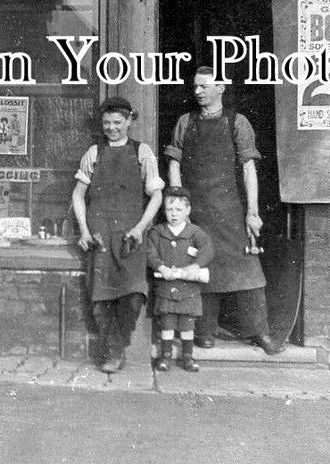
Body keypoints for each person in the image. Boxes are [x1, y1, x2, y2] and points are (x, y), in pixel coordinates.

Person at [164, 66, 284, 355]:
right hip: (198, 211)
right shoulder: (185, 121)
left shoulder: (237, 122)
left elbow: (248, 168)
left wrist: (252, 212)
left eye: (204, 86)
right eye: (195, 87)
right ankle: (205, 332)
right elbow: (174, 163)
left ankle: (261, 332)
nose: (197, 91)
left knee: (248, 270)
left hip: (231, 210)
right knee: (203, 268)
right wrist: (180, 207)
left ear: (221, 88)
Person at [71, 96, 164, 373]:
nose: (112, 128)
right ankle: (112, 354)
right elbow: (78, 195)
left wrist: (140, 227)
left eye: (117, 122)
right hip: (100, 237)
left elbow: (157, 195)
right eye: (107, 123)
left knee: (133, 296)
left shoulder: (141, 152)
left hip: (130, 238)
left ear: (130, 121)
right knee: (101, 300)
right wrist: (84, 230)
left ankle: (116, 347)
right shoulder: (94, 153)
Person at [146, 187, 215, 372]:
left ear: (187, 211)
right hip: (166, 287)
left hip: (188, 289)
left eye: (178, 210)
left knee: (187, 325)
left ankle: (188, 357)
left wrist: (196, 265)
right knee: (167, 324)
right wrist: (161, 267)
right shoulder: (157, 232)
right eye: (170, 210)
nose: (174, 214)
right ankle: (165, 357)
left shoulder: (195, 233)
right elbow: (150, 252)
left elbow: (208, 249)